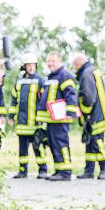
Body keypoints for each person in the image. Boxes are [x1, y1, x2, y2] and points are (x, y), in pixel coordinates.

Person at [37, 52, 80, 181]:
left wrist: (69, 114)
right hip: (51, 119)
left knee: (61, 144)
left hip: (61, 118)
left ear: (60, 61)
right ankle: (58, 170)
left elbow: (71, 96)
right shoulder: (50, 78)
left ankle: (65, 171)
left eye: (53, 61)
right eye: (48, 61)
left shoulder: (65, 76)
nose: (50, 64)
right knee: (53, 144)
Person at [71, 52, 105, 179]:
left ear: (78, 64)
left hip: (95, 117)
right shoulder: (93, 71)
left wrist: (85, 113)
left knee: (97, 142)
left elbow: (88, 97)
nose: (74, 68)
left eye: (74, 65)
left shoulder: (86, 74)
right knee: (90, 143)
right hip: (99, 114)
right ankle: (89, 170)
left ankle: (104, 168)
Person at [9, 52, 48, 178]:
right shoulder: (19, 81)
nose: (31, 67)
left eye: (33, 65)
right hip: (21, 122)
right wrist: (10, 116)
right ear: (24, 66)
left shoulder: (40, 80)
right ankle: (22, 171)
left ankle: (42, 170)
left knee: (38, 146)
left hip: (35, 122)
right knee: (22, 149)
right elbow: (14, 100)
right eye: (28, 65)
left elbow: (44, 100)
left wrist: (42, 118)